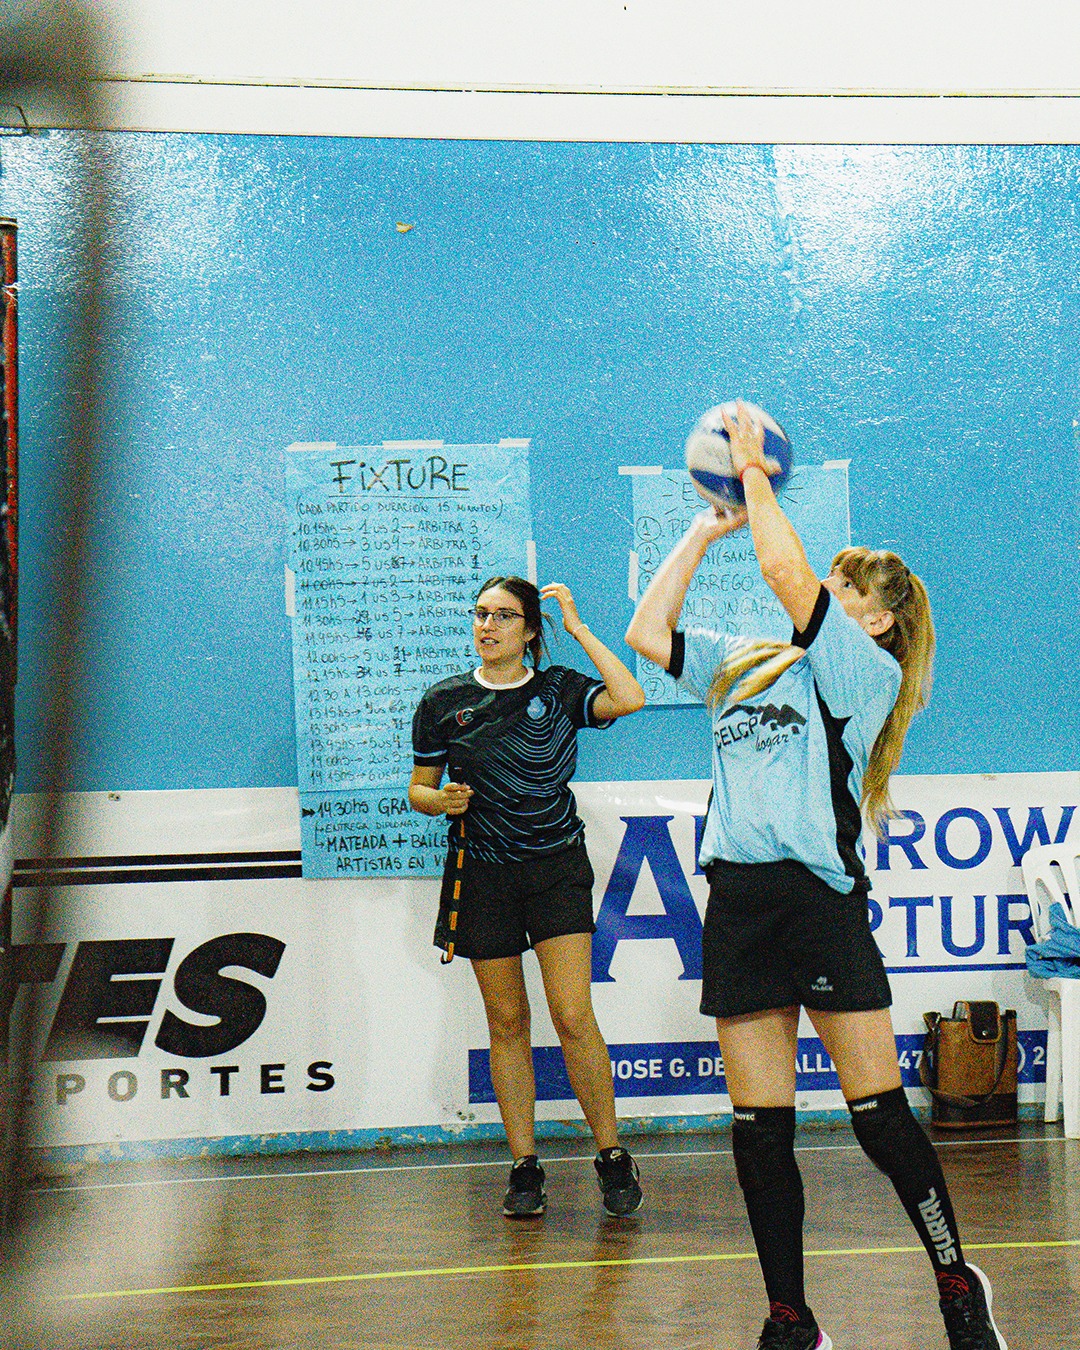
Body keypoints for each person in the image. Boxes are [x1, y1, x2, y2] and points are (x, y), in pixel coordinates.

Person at [626, 402, 1007, 1350]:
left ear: (874, 619)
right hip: (739, 903)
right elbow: (647, 634)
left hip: (818, 905)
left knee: (879, 1120)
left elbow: (786, 572)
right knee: (760, 1133)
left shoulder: (863, 673)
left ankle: (957, 1284)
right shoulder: (751, 664)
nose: (822, 593)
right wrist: (700, 531)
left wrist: (754, 472)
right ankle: (790, 1319)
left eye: (842, 588)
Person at [409, 575, 647, 1219]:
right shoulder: (444, 702)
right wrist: (439, 800)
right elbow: (419, 789)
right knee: (508, 1021)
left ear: (529, 630)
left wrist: (579, 627)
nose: (487, 626)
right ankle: (524, 1166)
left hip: (555, 869)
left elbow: (630, 696)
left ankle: (611, 1154)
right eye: (481, 614)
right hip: (483, 876)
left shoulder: (559, 688)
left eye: (504, 616)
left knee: (571, 1014)